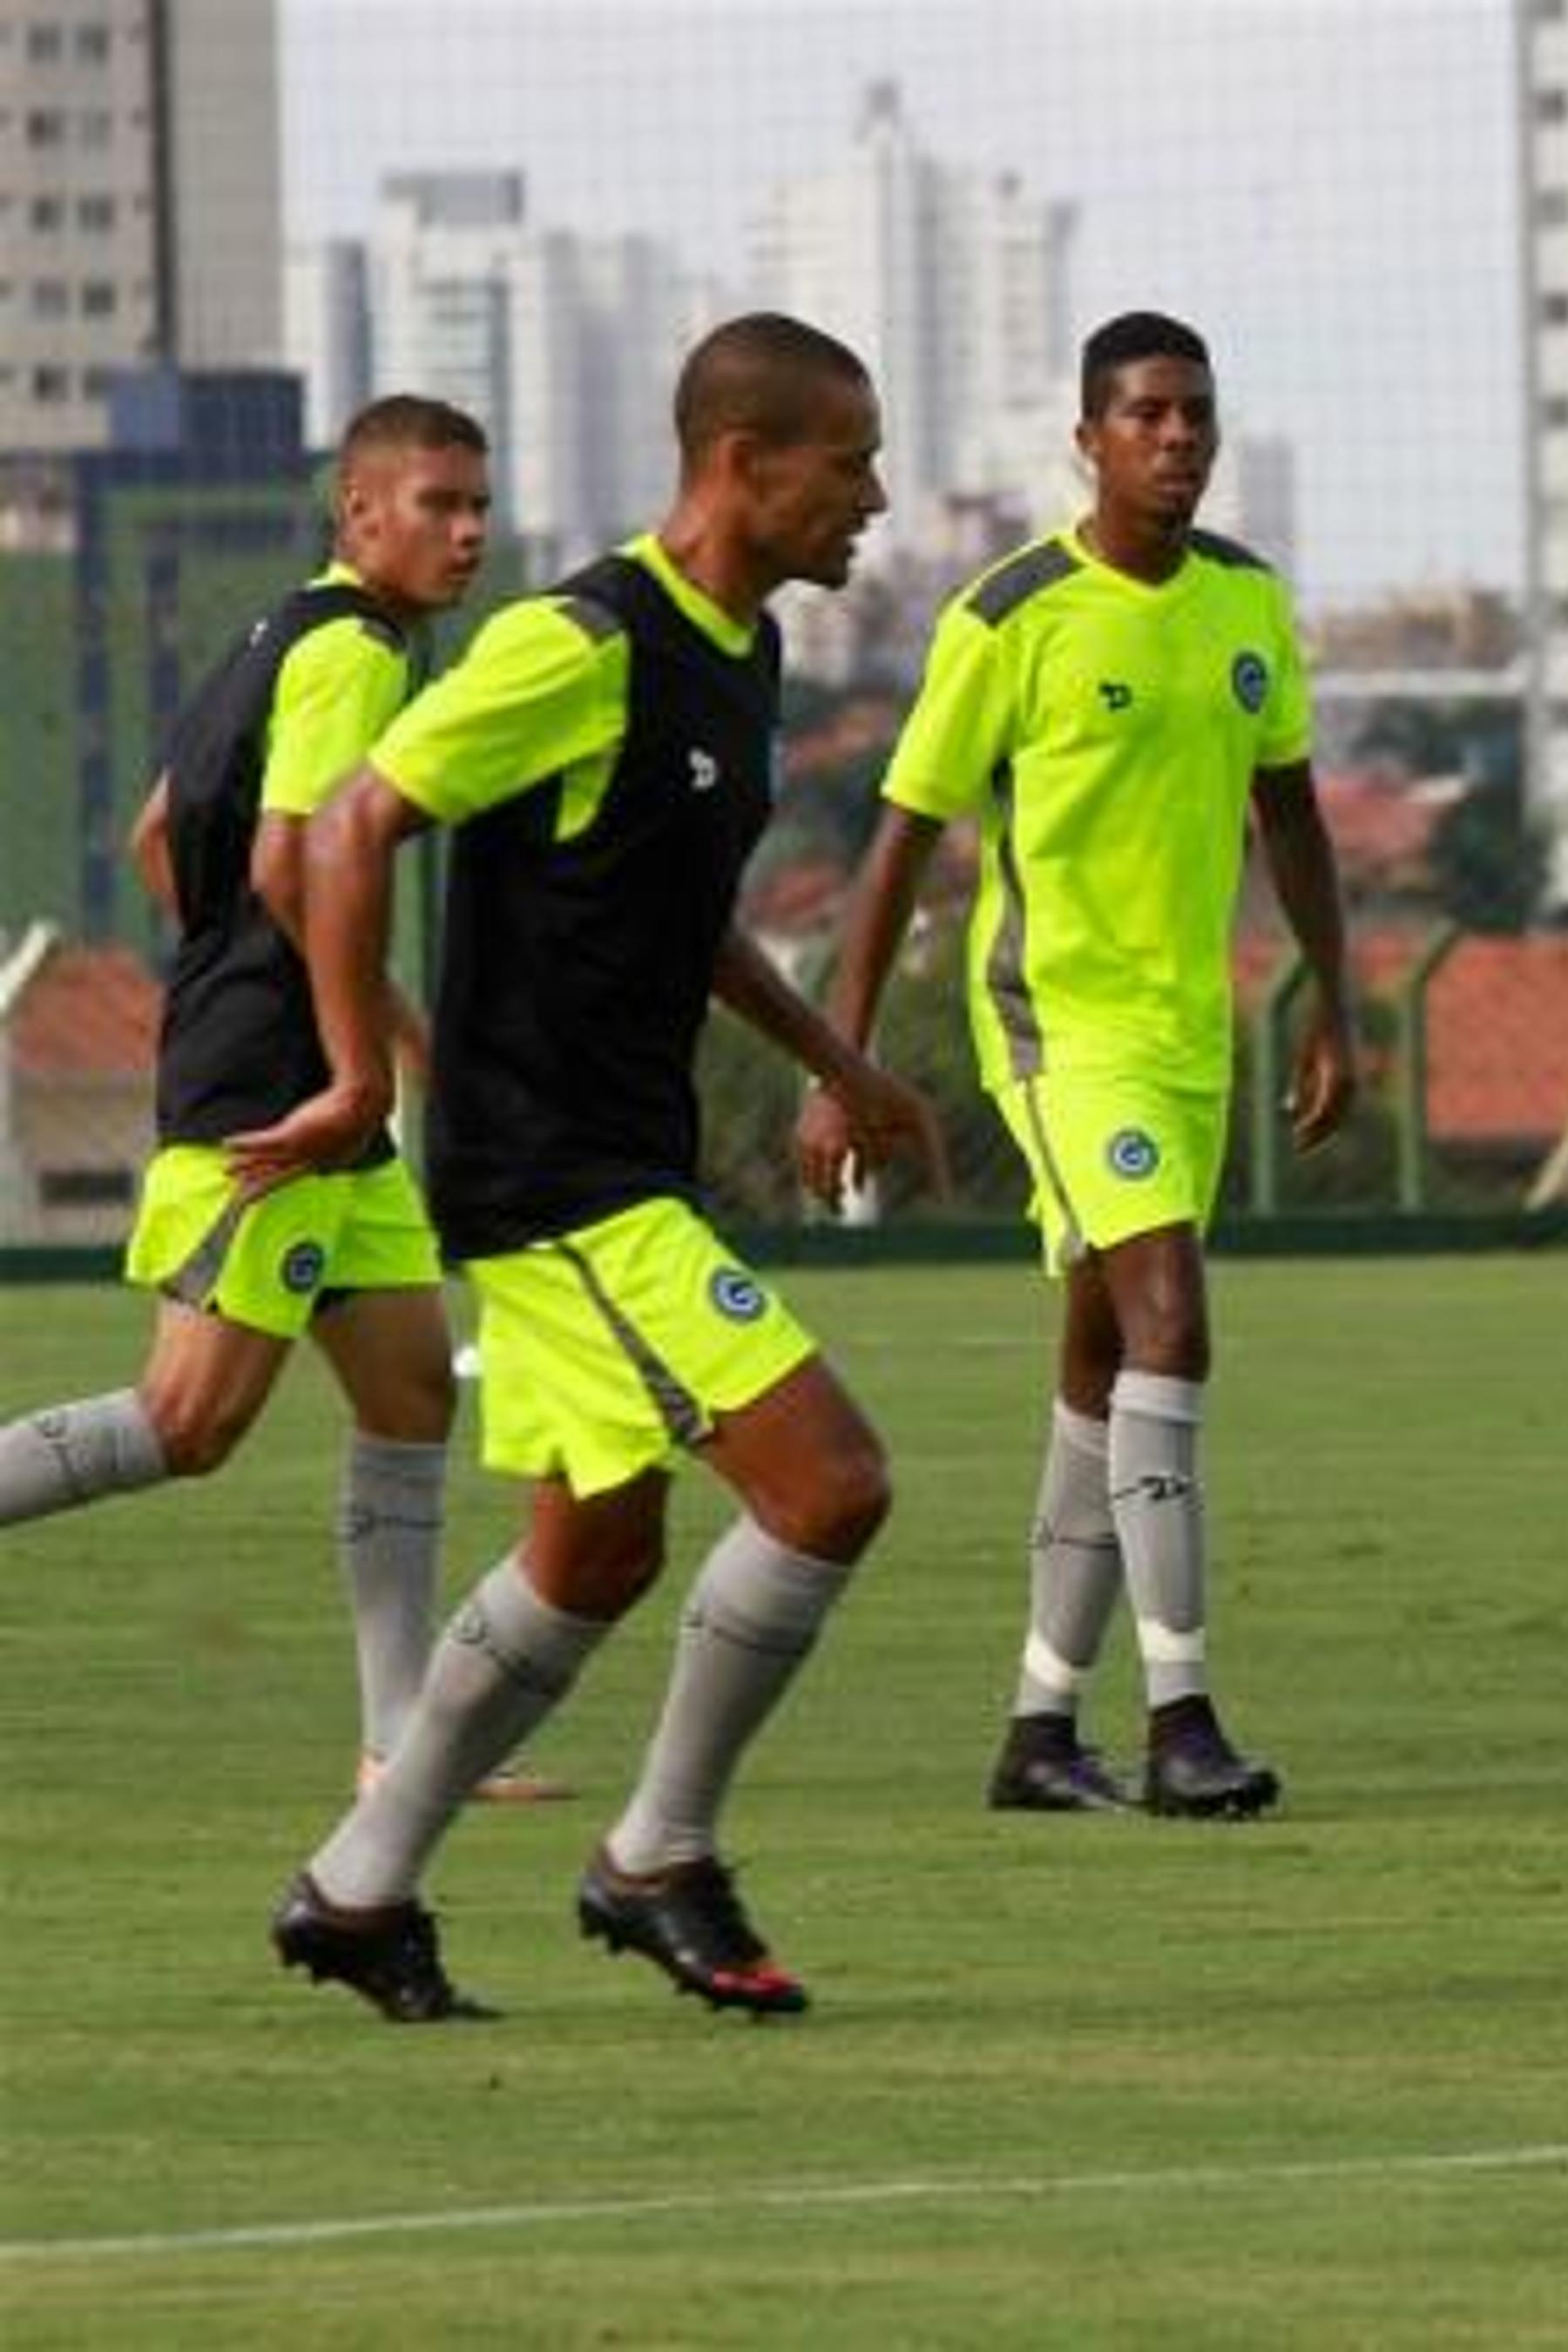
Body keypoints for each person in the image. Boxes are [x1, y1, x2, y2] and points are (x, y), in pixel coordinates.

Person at [237, 314, 937, 2023]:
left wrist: (840, 1064)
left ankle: (356, 1888)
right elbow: (343, 829)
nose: (874, 495)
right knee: (830, 1483)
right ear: (741, 464)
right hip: (554, 1176)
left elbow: (681, 922)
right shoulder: (580, 641)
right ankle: (658, 1854)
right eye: (847, 462)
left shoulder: (742, 656)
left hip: (621, 1160)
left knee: (595, 1548)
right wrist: (351, 1077)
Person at [797, 310, 1350, 1821]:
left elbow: (1292, 815)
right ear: (1090, 440)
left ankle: (1040, 1732)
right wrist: (839, 1063)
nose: (1179, 438)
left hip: (1189, 1035)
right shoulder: (1012, 614)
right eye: (1149, 414)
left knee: (1104, 1369)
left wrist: (1334, 1010)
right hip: (1057, 1028)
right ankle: (1183, 1719)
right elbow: (902, 839)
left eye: (1198, 415)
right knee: (1173, 1323)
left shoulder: (1247, 604)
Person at [0, 395, 559, 1804]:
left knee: (413, 1390)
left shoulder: (273, 636)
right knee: (187, 1424)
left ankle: (400, 1747)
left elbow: (156, 843)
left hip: (313, 1086)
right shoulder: (357, 654)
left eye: (480, 505)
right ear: (359, 513)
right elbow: (286, 867)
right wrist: (326, 1035)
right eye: (438, 504)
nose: (469, 531)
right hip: (278, 1101)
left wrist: (293, 996)